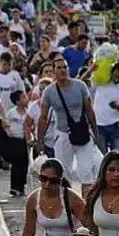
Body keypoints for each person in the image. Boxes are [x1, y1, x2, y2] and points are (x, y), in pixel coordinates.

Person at [37, 57, 100, 189]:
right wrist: (40, 140)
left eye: (65, 67)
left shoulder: (80, 86)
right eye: (59, 68)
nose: (63, 70)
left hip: (82, 133)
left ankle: (86, 206)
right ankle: (67, 201)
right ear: (54, 71)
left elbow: (89, 110)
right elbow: (43, 117)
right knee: (62, 172)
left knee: (86, 171)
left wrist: (96, 133)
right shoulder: (49, 91)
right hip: (63, 134)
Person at [0, 52, 26, 170]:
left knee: (11, 136)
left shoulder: (15, 75)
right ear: (0, 63)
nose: (6, 67)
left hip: (12, 112)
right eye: (4, 64)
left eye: (9, 64)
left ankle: (10, 157)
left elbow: (21, 91)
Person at [92, 62, 119, 154]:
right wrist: (92, 68)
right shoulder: (102, 82)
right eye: (116, 75)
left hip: (115, 125)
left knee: (118, 154)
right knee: (102, 156)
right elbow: (83, 80)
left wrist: (118, 107)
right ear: (112, 72)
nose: (117, 79)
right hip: (99, 125)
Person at [6, 90, 32, 196]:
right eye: (23, 97)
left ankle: (21, 186)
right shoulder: (11, 113)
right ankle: (14, 186)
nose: (26, 99)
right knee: (16, 163)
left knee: (25, 164)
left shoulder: (29, 112)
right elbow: (5, 123)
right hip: (15, 140)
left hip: (25, 140)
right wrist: (8, 132)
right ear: (17, 101)